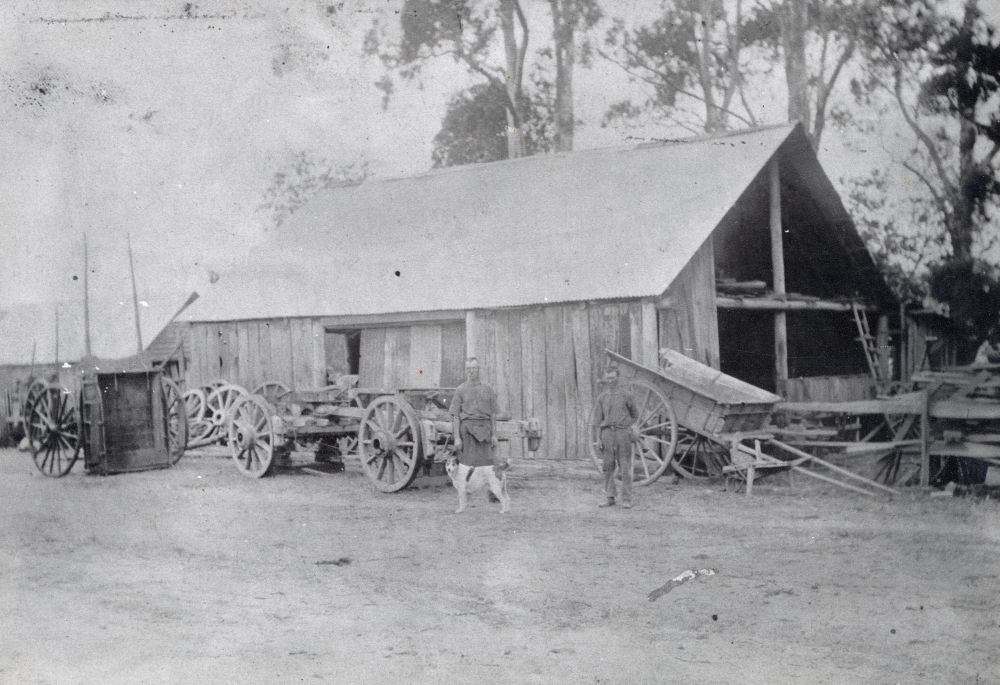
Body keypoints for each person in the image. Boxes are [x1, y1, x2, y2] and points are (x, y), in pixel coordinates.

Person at [594, 363, 638, 509]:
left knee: (625, 466)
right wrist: (598, 438)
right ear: (605, 379)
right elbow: (597, 421)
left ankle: (626, 499)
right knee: (607, 466)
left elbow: (635, 415)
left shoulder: (627, 395)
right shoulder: (602, 397)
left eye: (613, 378)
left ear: (618, 377)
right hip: (607, 434)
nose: (611, 381)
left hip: (622, 434)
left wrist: (626, 427)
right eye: (608, 378)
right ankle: (609, 497)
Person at [451, 357, 504, 475]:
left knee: (487, 466)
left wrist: (494, 435)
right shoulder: (460, 390)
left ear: (478, 369)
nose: (471, 371)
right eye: (468, 369)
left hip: (485, 430)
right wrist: (457, 438)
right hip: (468, 431)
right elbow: (455, 416)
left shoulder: (488, 389)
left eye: (473, 368)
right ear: (465, 371)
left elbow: (493, 415)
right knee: (468, 466)